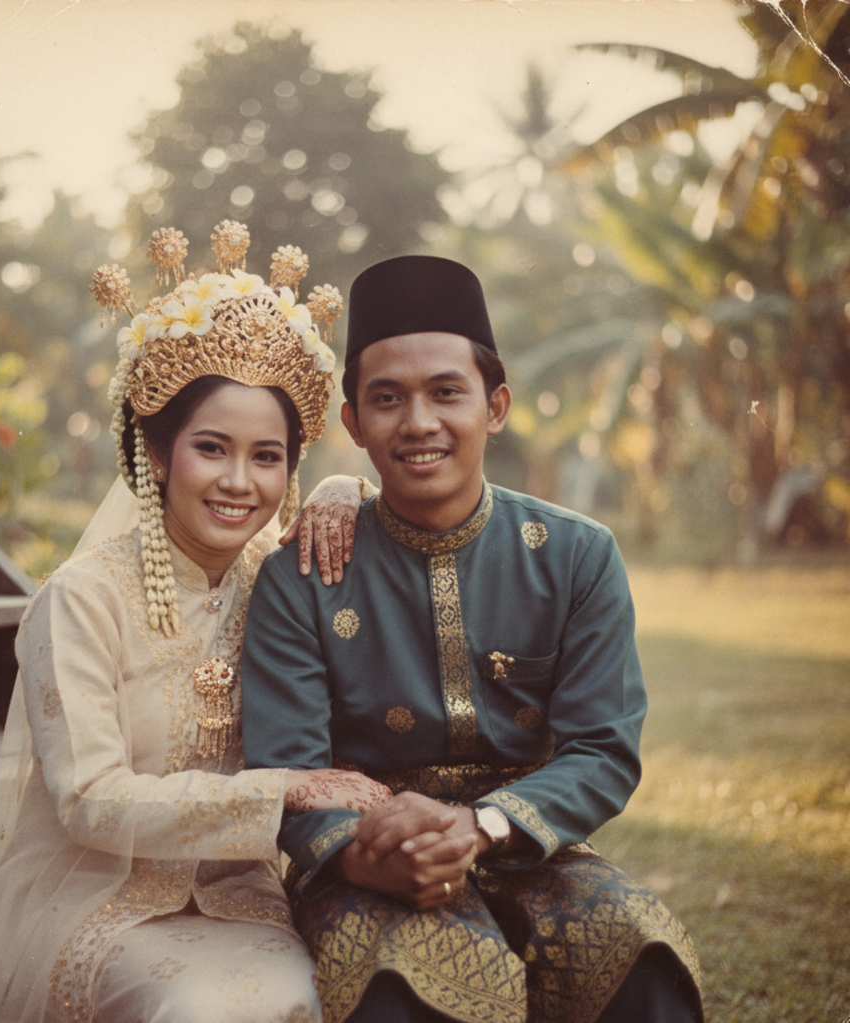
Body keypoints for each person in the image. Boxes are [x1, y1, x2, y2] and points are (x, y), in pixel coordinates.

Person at [0, 222, 390, 1023]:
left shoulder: (275, 583)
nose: (239, 482)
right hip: (91, 902)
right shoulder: (79, 599)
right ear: (156, 447)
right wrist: (280, 788)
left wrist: (346, 490)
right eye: (212, 447)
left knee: (334, 990)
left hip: (237, 899)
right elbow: (90, 800)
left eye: (268, 456)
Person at [242, 255, 703, 1023]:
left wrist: (483, 825)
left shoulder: (575, 555)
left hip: (530, 841)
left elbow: (602, 748)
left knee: (639, 959)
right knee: (402, 993)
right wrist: (365, 854)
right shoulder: (302, 574)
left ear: (495, 406)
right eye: (386, 398)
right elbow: (285, 767)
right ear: (353, 424)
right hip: (367, 858)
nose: (418, 422)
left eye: (446, 392)